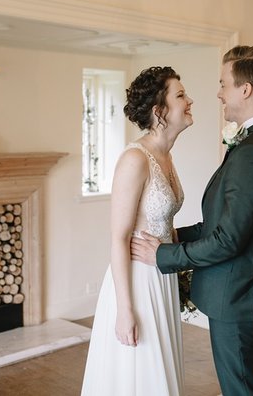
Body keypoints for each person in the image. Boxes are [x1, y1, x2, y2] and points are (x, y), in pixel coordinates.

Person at [131, 45, 253, 395]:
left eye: (223, 84)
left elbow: (228, 240)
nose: (218, 93)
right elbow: (222, 223)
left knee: (242, 389)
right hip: (240, 291)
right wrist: (171, 238)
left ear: (245, 90)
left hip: (237, 295)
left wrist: (163, 256)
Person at [81, 66, 193, 394]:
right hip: (138, 282)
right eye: (181, 95)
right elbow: (118, 237)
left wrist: (178, 259)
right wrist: (124, 309)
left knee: (161, 369)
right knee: (141, 373)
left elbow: (164, 225)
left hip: (162, 276)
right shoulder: (135, 159)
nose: (190, 101)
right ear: (160, 111)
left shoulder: (165, 156)